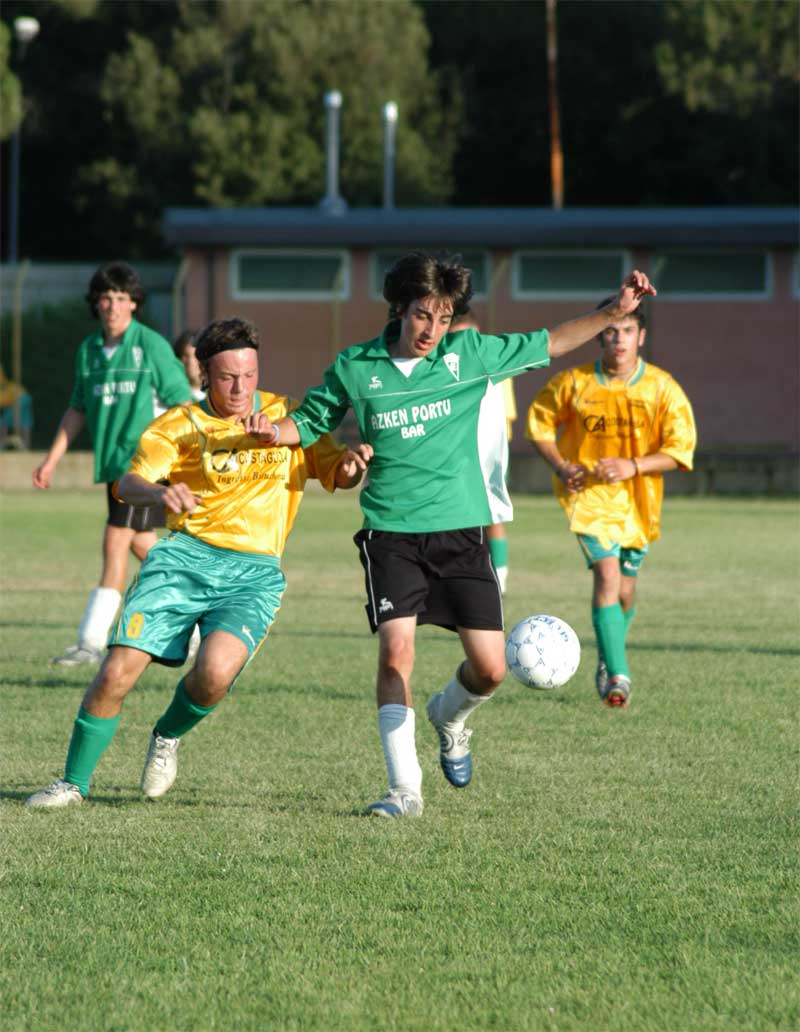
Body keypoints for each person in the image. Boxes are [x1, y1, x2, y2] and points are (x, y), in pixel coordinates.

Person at [255, 251, 656, 818]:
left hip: (462, 534)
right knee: (396, 655)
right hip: (391, 534)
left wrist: (614, 310)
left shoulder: (467, 355)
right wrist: (269, 432)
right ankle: (404, 791)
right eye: (423, 315)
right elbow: (309, 421)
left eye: (443, 318)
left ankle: (450, 716)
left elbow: (551, 342)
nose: (432, 330)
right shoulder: (355, 365)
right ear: (399, 307)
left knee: (491, 669)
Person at [26, 316, 371, 809]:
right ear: (205, 373)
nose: (241, 387)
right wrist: (162, 492)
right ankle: (73, 783)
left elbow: (337, 473)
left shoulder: (288, 417)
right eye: (229, 376)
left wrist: (351, 467)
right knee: (116, 672)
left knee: (213, 675)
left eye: (250, 375)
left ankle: (167, 735)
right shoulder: (179, 426)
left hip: (253, 573)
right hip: (183, 560)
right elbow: (128, 484)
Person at [526, 298, 696, 709]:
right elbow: (540, 423)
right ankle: (618, 676)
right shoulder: (575, 383)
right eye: (611, 332)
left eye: (627, 332)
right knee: (607, 576)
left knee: (625, 592)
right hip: (589, 498)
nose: (618, 340)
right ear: (600, 335)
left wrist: (633, 465)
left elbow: (680, 450)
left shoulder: (661, 387)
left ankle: (608, 650)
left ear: (642, 336)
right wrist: (564, 466)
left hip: (638, 502)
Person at [33, 261, 192, 667]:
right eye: (106, 298)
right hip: (114, 470)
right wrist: (51, 461)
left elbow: (184, 404)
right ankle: (189, 620)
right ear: (96, 304)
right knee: (147, 550)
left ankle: (89, 642)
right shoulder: (88, 351)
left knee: (115, 541)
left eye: (122, 298)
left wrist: (179, 455)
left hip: (143, 470)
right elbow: (77, 408)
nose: (113, 306)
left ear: (135, 304)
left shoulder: (150, 345)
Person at [449, 309, 517, 594]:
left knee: (492, 519)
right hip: (452, 457)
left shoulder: (494, 367)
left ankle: (497, 583)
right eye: (455, 339)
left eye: (470, 338)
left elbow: (506, 417)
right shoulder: (441, 371)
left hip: (487, 457)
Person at [172, 329, 206, 401]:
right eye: (185, 356)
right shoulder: (171, 396)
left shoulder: (217, 396)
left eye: (196, 356)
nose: (190, 362)